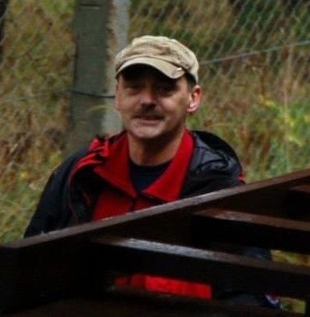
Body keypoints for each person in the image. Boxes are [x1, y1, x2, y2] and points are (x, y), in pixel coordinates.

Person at [24, 35, 278, 308]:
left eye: (164, 89)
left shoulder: (218, 187)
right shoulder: (82, 174)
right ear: (118, 96)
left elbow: (248, 297)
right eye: (134, 88)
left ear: (193, 99)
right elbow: (31, 269)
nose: (147, 100)